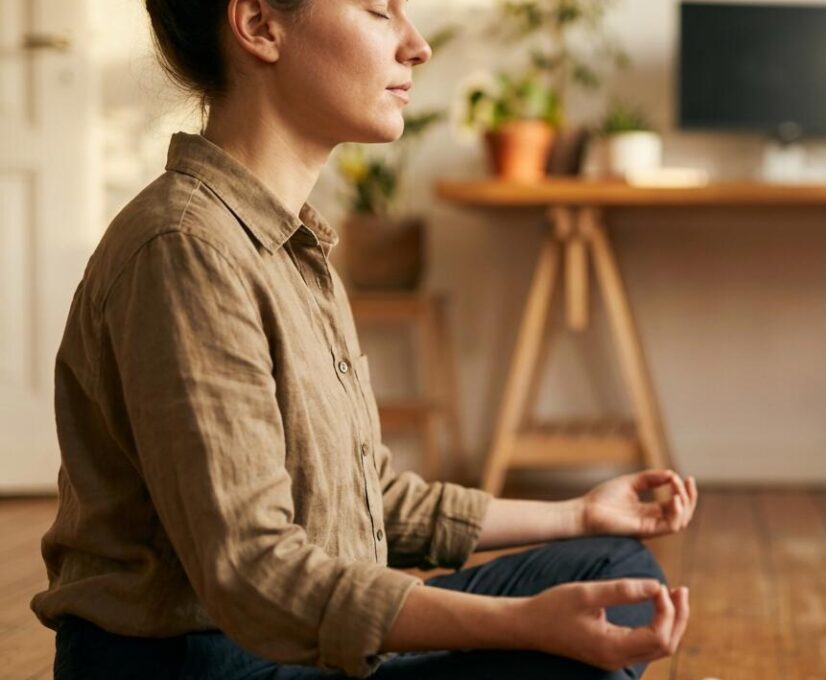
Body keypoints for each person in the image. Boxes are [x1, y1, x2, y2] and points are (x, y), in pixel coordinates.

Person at [29, 1, 696, 678]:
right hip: (205, 662)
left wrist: (577, 514)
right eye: (379, 10)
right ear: (260, 24)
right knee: (570, 647)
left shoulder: (289, 247)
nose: (416, 46)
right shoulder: (185, 250)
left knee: (613, 567)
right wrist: (523, 625)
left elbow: (366, 495)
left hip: (285, 642)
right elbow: (252, 571)